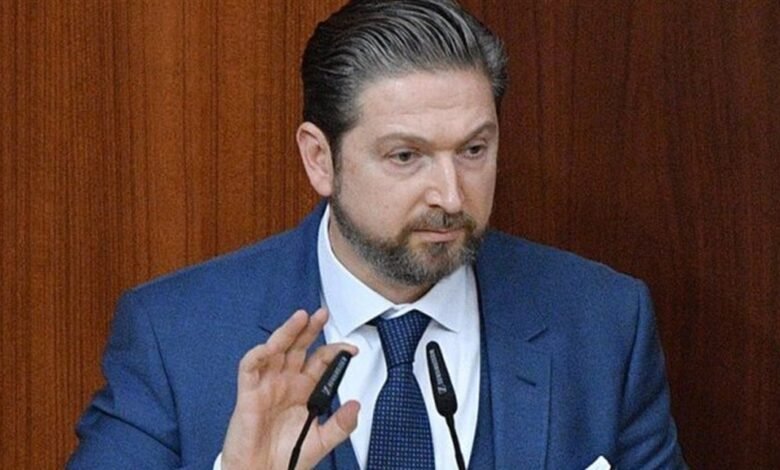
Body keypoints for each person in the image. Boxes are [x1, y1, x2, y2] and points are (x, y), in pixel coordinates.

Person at [68, 0, 686, 468]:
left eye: (473, 150)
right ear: (320, 159)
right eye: (405, 157)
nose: (451, 196)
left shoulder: (603, 321)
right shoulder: (176, 336)